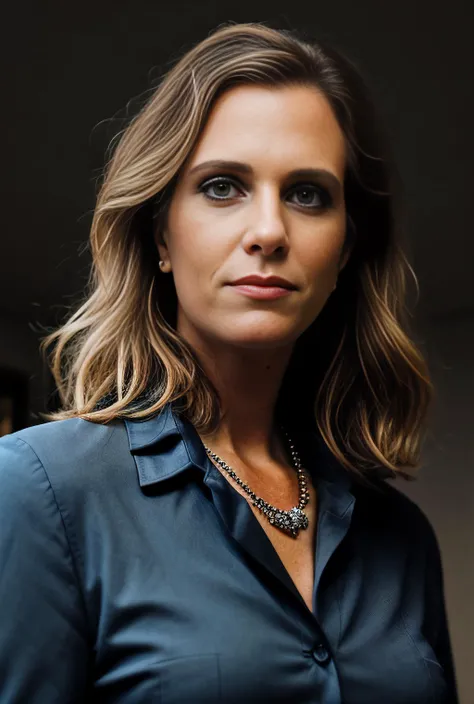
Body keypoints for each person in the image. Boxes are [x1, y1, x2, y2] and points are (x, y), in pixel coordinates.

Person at [0, 21, 459, 704]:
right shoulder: (38, 492)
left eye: (307, 194)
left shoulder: (400, 537)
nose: (269, 231)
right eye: (222, 186)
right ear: (160, 235)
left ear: (344, 249)